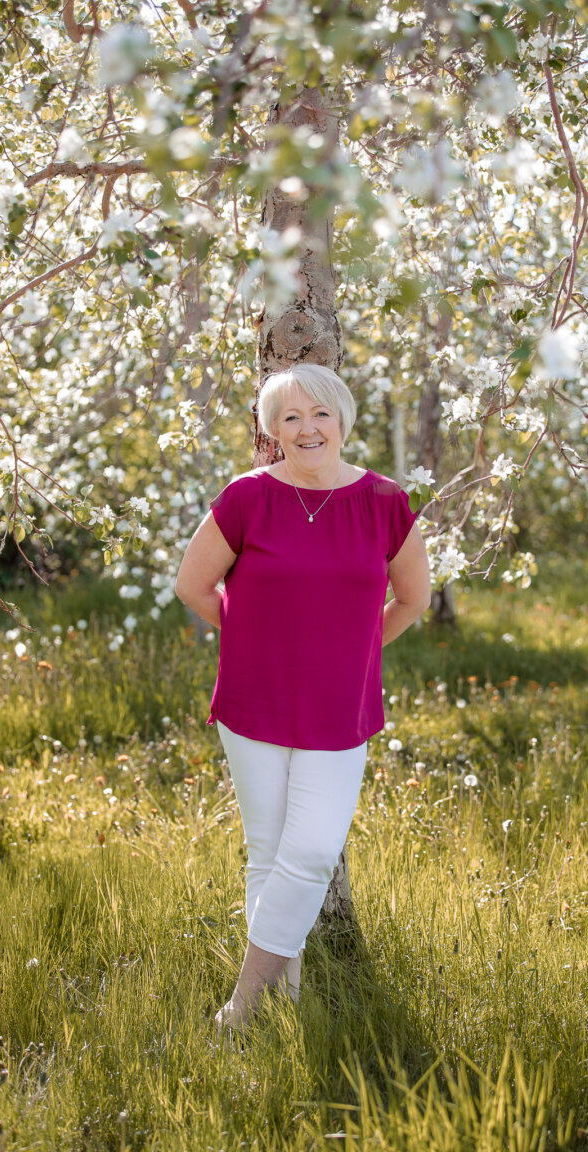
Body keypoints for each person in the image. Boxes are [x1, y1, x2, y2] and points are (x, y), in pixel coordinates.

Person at [174, 364, 431, 1033]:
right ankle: (281, 1001)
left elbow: (412, 598)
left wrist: (354, 647)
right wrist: (261, 636)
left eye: (319, 413)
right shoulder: (246, 498)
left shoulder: (384, 501)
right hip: (254, 701)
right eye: (289, 417)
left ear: (343, 419)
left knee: (312, 849)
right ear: (271, 431)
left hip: (340, 706)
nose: (307, 428)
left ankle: (243, 1005)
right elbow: (193, 586)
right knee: (267, 849)